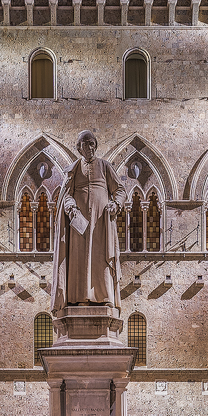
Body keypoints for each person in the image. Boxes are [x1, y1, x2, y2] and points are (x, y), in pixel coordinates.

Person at [49, 131, 122, 314]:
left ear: (95, 146)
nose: (89, 147)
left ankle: (105, 298)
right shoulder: (73, 170)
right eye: (85, 144)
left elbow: (119, 190)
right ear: (78, 148)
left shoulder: (104, 166)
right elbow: (67, 196)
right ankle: (79, 298)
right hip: (79, 225)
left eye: (91, 144)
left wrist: (115, 204)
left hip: (101, 224)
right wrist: (71, 208)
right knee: (79, 260)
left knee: (101, 259)